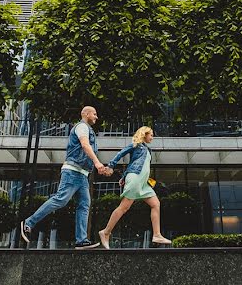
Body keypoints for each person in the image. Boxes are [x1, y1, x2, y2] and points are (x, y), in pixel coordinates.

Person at [20, 106, 113, 249]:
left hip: (82, 175)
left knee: (84, 205)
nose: (96, 117)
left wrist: (100, 168)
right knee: (61, 200)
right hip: (72, 172)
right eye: (94, 114)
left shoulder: (89, 129)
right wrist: (97, 162)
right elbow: (85, 145)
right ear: (86, 114)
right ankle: (28, 223)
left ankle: (81, 240)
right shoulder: (82, 127)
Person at [98, 126, 172, 249]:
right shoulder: (136, 145)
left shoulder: (148, 150)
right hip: (135, 178)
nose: (152, 137)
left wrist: (125, 176)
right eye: (151, 135)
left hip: (143, 183)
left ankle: (157, 234)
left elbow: (136, 164)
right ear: (144, 134)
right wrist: (111, 166)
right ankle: (106, 232)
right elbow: (121, 153)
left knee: (155, 204)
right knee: (124, 207)